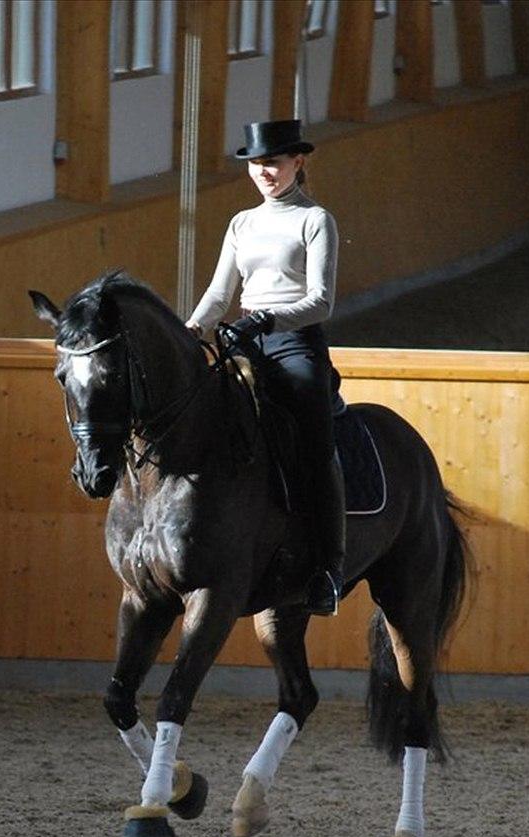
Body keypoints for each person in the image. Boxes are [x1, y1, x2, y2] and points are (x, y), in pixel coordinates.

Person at [186, 119, 344, 616]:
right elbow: (218, 293)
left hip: (293, 342)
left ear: (298, 162)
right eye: (257, 164)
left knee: (316, 444)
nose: (264, 172)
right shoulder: (242, 223)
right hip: (244, 339)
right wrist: (190, 330)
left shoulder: (315, 220)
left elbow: (321, 301)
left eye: (273, 162)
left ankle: (328, 567)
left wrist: (267, 319)